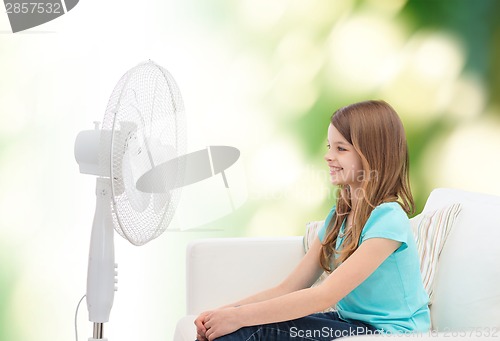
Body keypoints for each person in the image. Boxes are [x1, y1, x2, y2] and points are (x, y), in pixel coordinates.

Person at [194, 100, 431, 341]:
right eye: (330, 146)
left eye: (341, 148)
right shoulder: (340, 216)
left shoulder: (388, 218)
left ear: (372, 153)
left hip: (387, 333)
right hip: (349, 323)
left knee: (249, 329)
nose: (328, 156)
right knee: (234, 329)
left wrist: (239, 318)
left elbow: (324, 296)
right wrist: (224, 313)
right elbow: (287, 288)